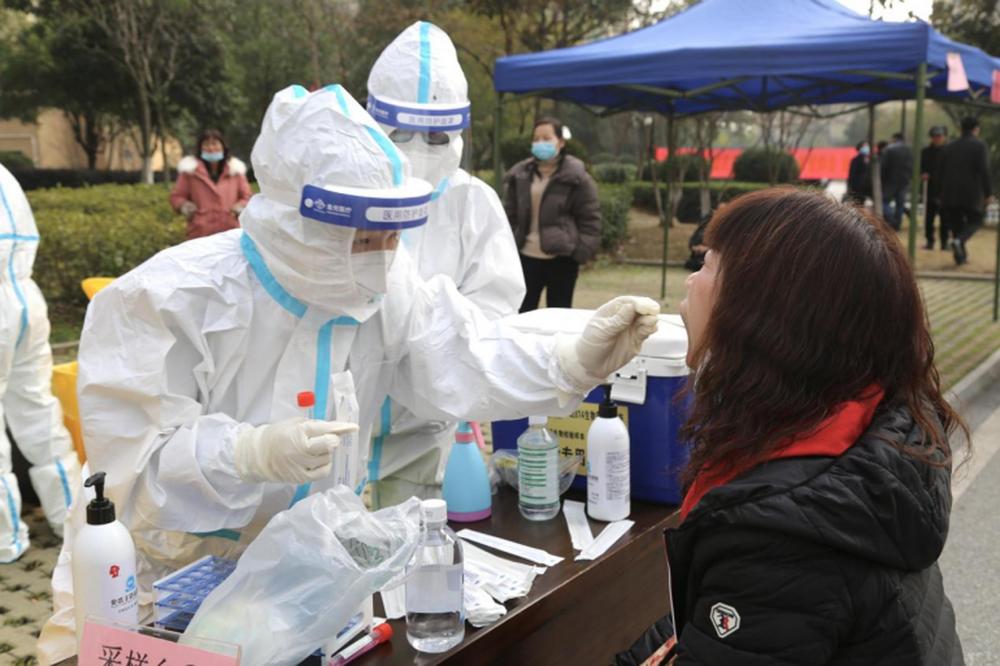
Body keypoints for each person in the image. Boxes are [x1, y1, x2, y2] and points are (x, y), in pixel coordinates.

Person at [38, 84, 659, 662]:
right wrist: (247, 453)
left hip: (305, 585)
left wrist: (570, 361)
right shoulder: (166, 300)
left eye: (391, 237)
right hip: (157, 588)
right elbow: (131, 475)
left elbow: (462, 352)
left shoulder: (386, 287)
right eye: (363, 238)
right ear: (297, 221)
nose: (382, 259)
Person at [620, 188, 964, 664]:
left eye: (709, 266)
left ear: (763, 318)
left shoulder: (779, 533)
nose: (691, 282)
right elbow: (712, 624)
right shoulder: (864, 424)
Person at [364, 22, 525, 507]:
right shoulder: (350, 194)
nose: (416, 149)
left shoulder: (472, 203)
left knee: (421, 549)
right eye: (401, 132)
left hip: (431, 427)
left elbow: (495, 314)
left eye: (435, 136)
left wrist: (426, 331)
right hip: (341, 428)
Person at [0, 164, 81, 562]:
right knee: (38, 410)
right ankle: (72, 521)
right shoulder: (5, 176)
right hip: (25, 297)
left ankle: (5, 540)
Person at [504, 117, 601, 312]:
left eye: (547, 138)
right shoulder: (520, 175)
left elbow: (590, 219)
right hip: (525, 258)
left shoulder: (577, 177)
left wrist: (579, 253)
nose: (541, 143)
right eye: (536, 138)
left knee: (559, 318)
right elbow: (508, 215)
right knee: (522, 316)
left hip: (562, 260)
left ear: (561, 142)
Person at [169, 129, 252, 240]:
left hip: (231, 232)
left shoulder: (235, 171)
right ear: (200, 148)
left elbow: (247, 196)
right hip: (200, 232)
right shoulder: (190, 172)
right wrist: (184, 206)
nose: (211, 148)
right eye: (206, 144)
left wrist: (240, 206)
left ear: (223, 147)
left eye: (215, 144)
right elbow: (177, 196)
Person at [937, 116, 994, 266]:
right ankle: (959, 241)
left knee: (957, 224)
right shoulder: (980, 146)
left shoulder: (949, 146)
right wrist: (988, 193)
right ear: (976, 129)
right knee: (976, 220)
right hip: (971, 193)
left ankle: (960, 258)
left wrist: (940, 193)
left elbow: (940, 171)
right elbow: (984, 171)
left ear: (961, 129)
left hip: (950, 193)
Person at [922, 125, 949, 250]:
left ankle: (944, 242)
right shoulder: (926, 152)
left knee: (945, 219)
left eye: (939, 136)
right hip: (930, 188)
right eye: (934, 136)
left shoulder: (949, 151)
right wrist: (923, 174)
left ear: (944, 137)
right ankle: (930, 241)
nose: (937, 138)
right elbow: (921, 167)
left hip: (945, 189)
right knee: (929, 218)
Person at [880, 131, 913, 230]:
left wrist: (882, 179)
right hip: (904, 182)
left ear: (894, 138)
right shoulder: (908, 150)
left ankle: (891, 220)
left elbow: (884, 167)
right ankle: (897, 224)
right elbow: (911, 167)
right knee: (900, 204)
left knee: (884, 202)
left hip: (890, 181)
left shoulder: (890, 150)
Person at [845, 140, 870, 205]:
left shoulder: (870, 159)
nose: (867, 147)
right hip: (857, 186)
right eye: (865, 146)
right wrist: (849, 186)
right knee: (858, 203)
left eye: (867, 146)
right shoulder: (856, 160)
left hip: (866, 186)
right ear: (860, 148)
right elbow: (851, 174)